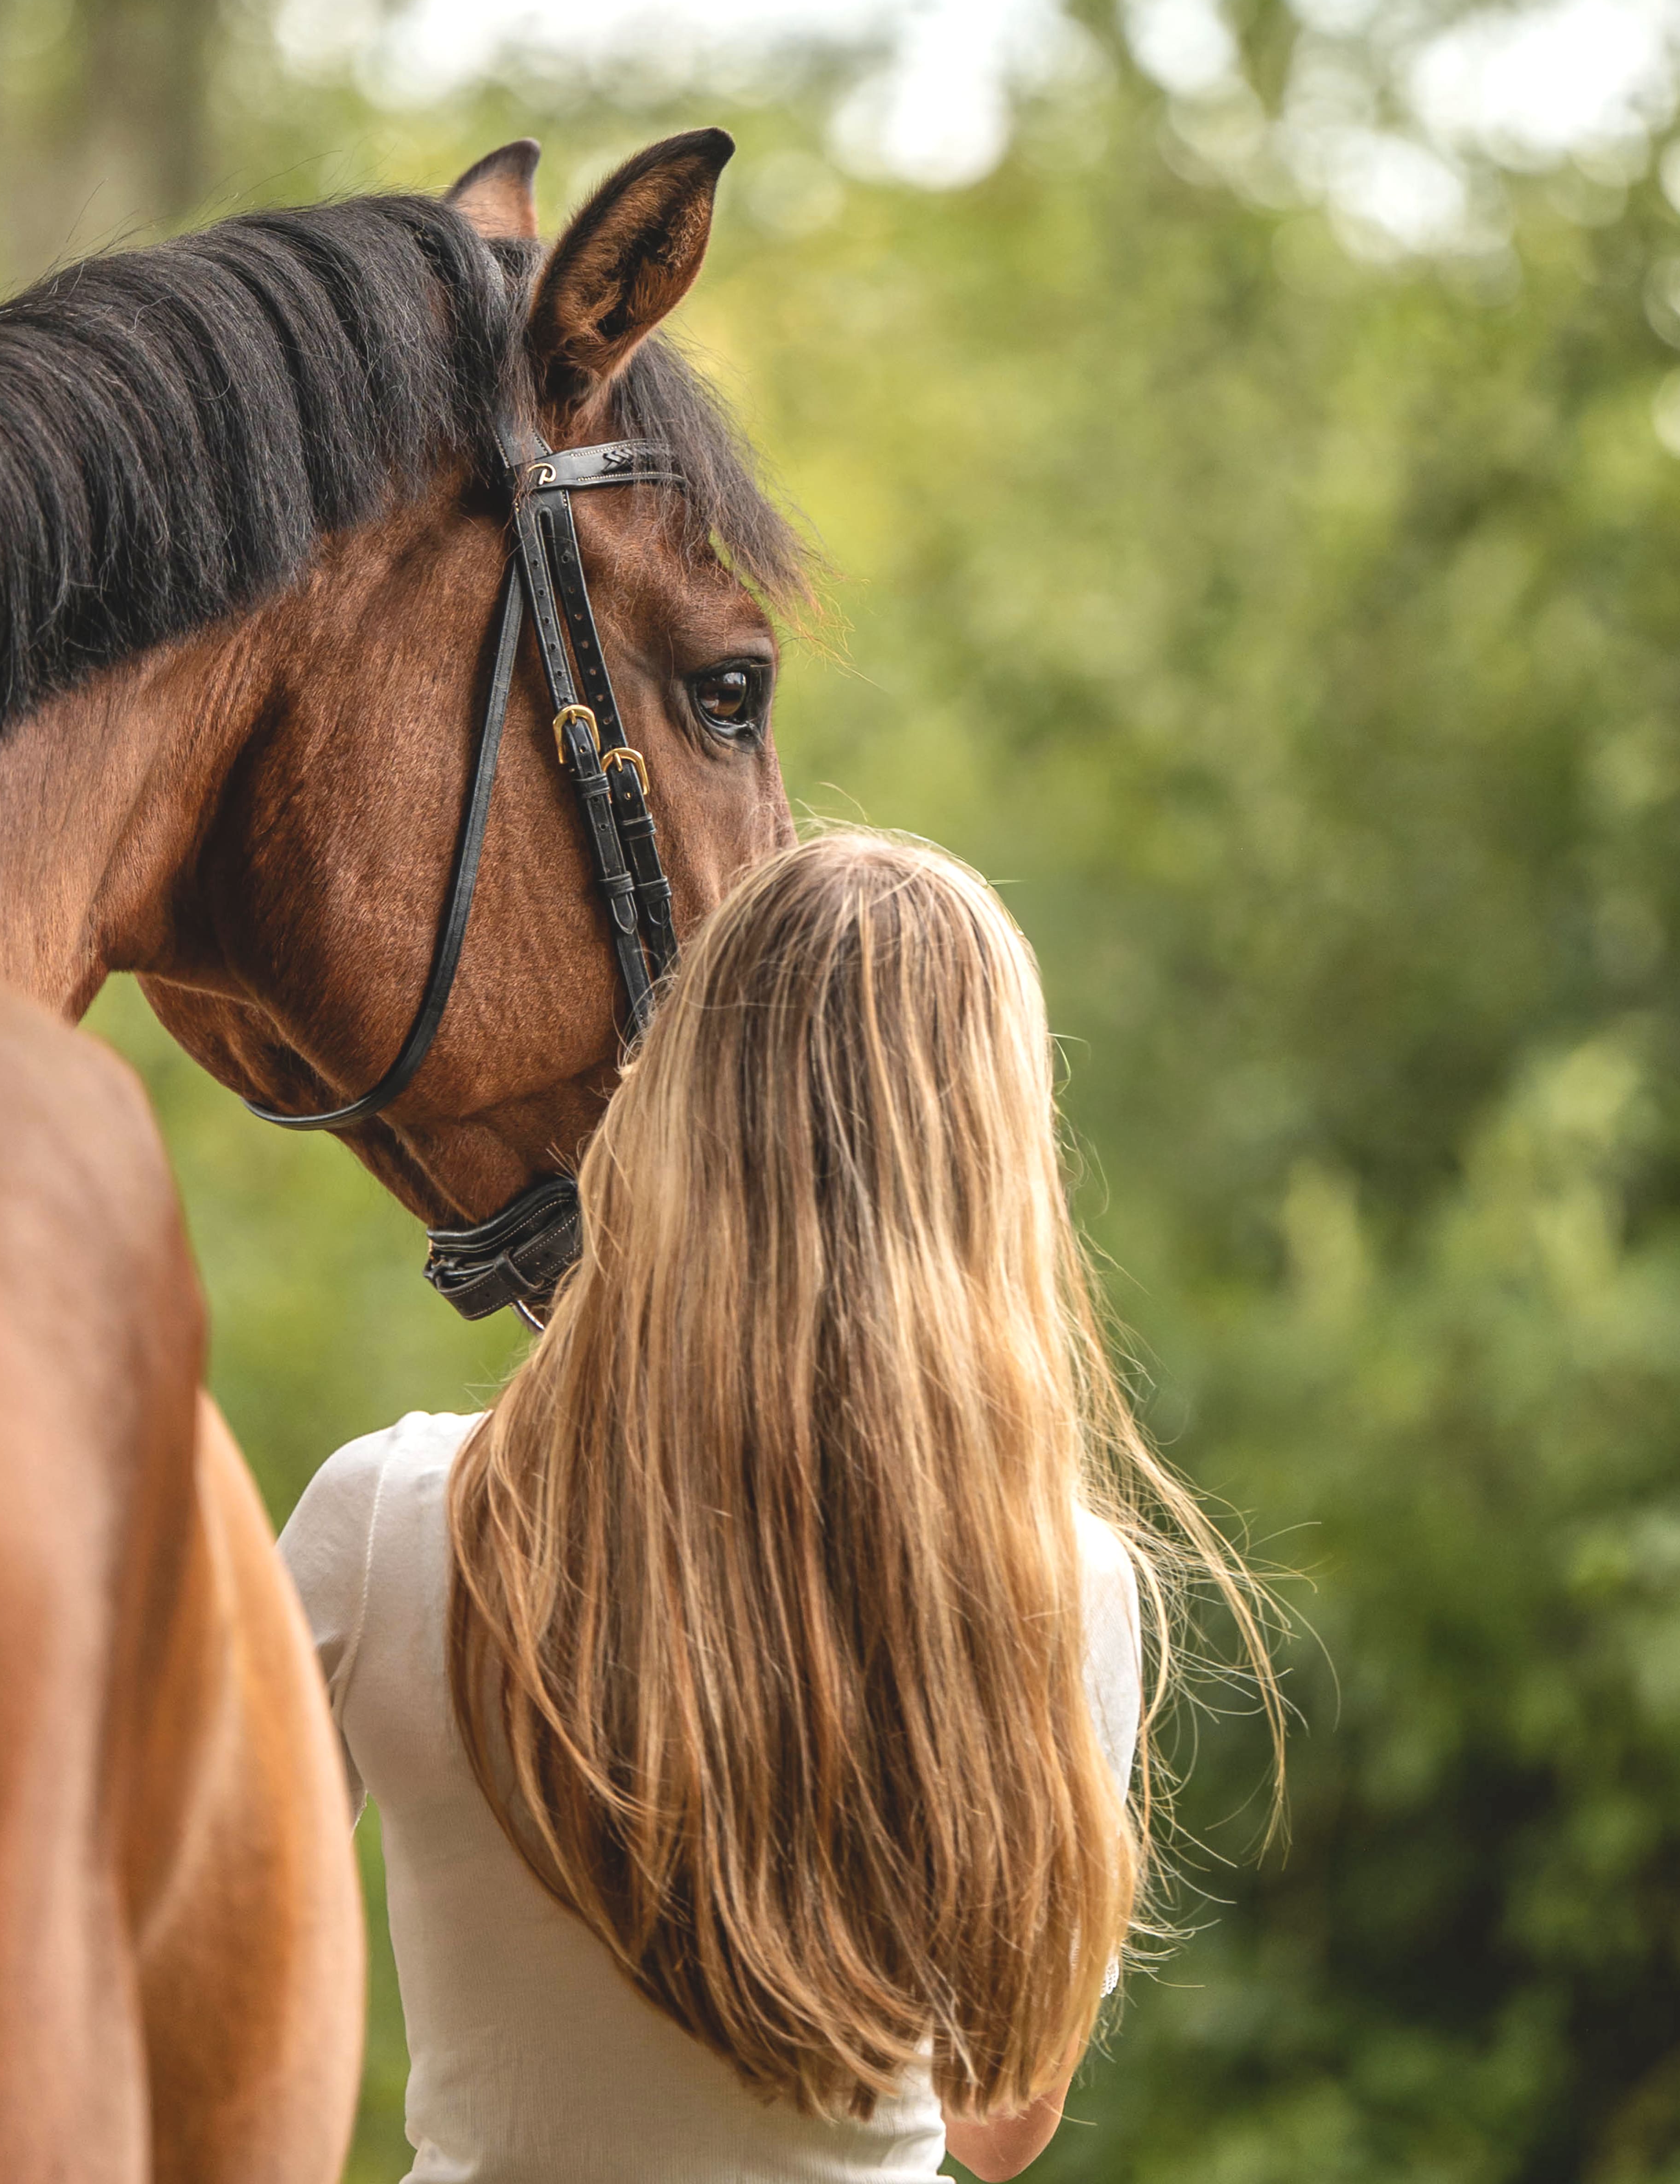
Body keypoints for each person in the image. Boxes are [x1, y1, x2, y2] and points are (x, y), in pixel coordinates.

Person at [282, 832, 1274, 2184]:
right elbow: (999, 2118)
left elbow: (191, 1961)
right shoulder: (1065, 1586)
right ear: (989, 1175)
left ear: (665, 1100)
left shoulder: (393, 1517)